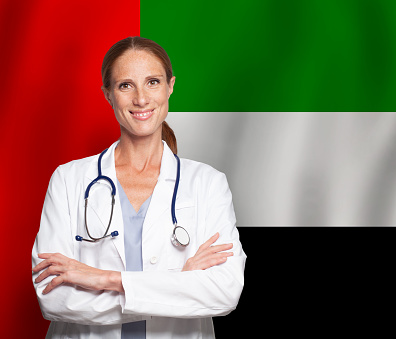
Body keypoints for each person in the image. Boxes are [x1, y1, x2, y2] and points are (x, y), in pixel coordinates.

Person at [31, 36, 246, 339]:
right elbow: (52, 297)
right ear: (108, 94)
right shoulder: (69, 180)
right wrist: (178, 282)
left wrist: (105, 279)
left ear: (170, 85)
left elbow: (224, 292)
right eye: (125, 85)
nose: (141, 99)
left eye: (153, 82)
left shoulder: (208, 183)